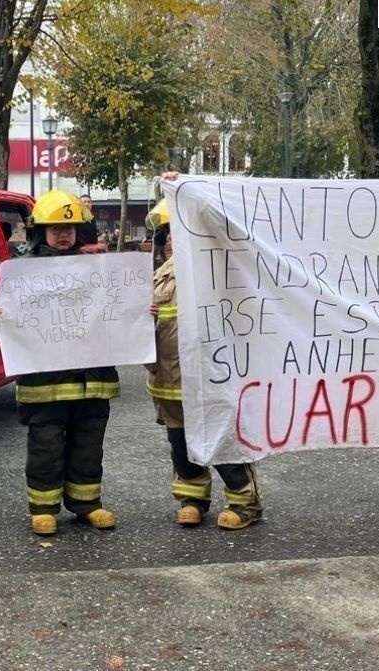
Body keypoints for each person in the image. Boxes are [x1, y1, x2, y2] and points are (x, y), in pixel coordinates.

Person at [145, 198, 263, 529]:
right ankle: (192, 498)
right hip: (168, 382)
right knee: (181, 447)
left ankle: (245, 501)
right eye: (168, 234)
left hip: (213, 380)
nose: (172, 239)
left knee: (223, 443)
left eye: (180, 232)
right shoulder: (158, 277)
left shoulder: (222, 270)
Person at [12, 189, 118, 536]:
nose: (63, 235)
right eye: (55, 227)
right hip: (45, 385)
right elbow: (3, 330)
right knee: (46, 445)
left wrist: (138, 314)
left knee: (89, 443)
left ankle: (87, 504)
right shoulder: (22, 273)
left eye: (69, 229)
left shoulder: (100, 271)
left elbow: (119, 316)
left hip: (92, 379)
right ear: (39, 231)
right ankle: (43, 508)